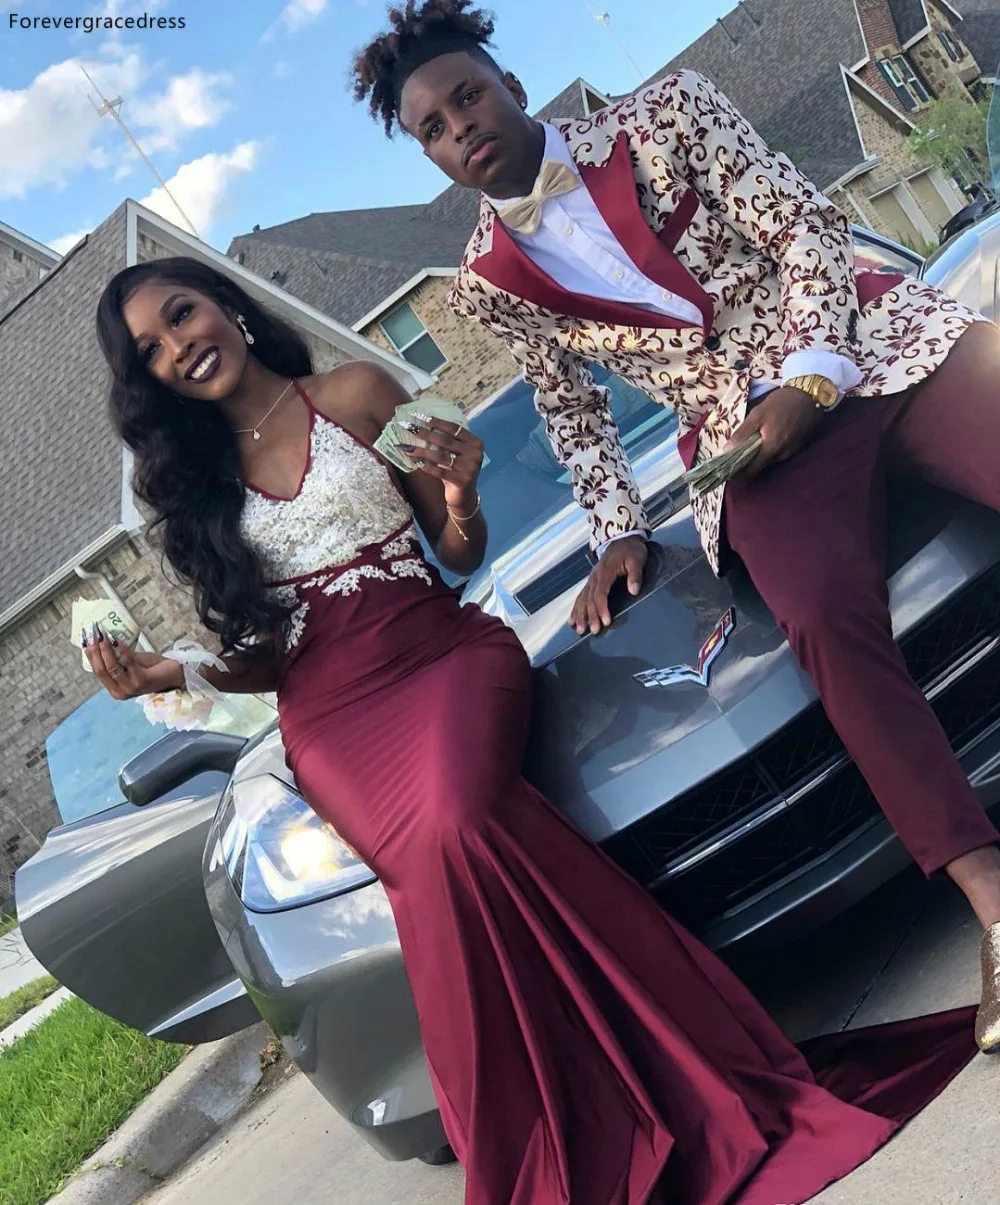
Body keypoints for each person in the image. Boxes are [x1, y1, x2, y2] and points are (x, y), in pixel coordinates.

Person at [87, 256, 978, 1204]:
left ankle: (599, 1122)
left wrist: (462, 494)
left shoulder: (355, 392)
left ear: (225, 304)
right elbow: (266, 658)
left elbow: (458, 551)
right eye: (151, 351)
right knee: (439, 864)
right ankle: (573, 1125)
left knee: (456, 822)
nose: (178, 347)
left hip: (443, 657)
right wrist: (172, 672)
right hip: (330, 721)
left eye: (181, 314)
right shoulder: (200, 491)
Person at [351, 0, 1000, 1056]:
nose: (459, 126)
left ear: (511, 87)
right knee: (820, 621)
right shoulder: (485, 283)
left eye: (466, 96)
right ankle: (993, 905)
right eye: (432, 127)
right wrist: (616, 530)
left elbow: (804, 227)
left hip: (869, 338)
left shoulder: (668, 114)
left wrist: (810, 373)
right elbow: (569, 408)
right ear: (429, 155)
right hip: (745, 443)